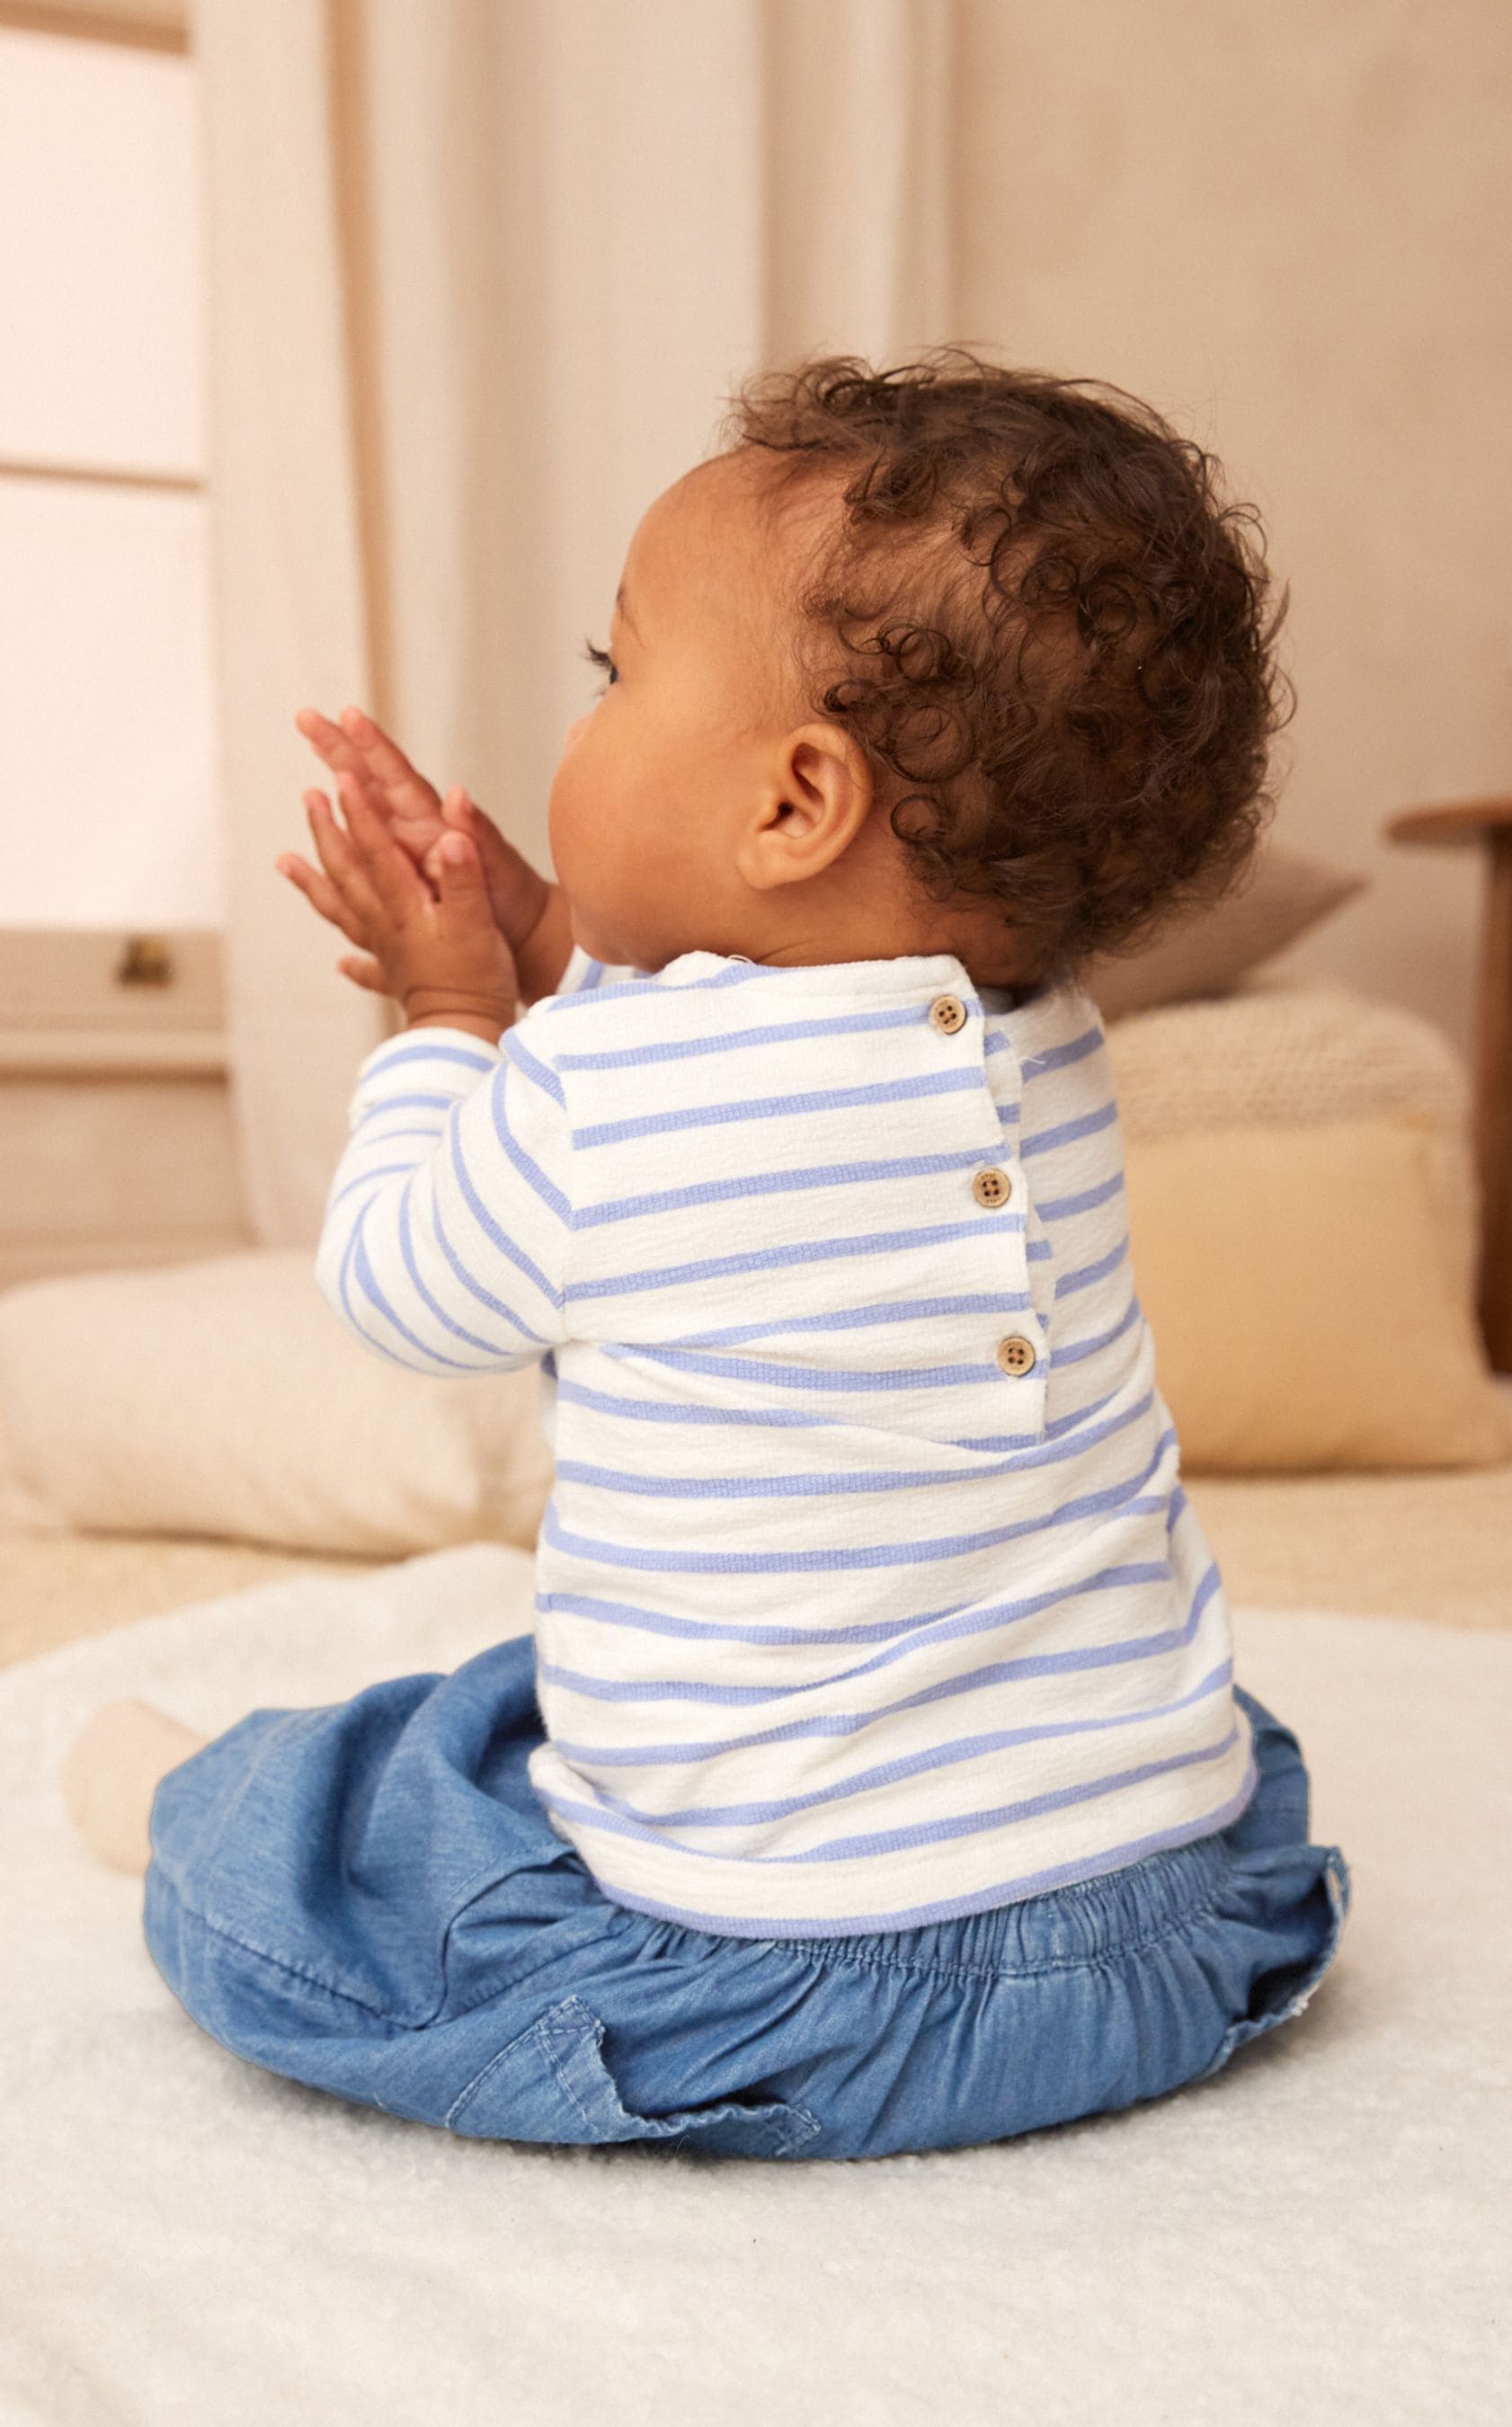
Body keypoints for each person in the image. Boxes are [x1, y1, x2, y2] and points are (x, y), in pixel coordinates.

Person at [62, 353, 1348, 2162]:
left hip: (814, 1997)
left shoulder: (593, 1095)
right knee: (563, 1703)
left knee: (354, 1844)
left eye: (614, 671)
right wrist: (541, 935)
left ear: (788, 808)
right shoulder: (1042, 1033)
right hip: (1167, 1930)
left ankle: (198, 1812)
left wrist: (449, 1006)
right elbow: (740, 1026)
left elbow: (404, 1286)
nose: (582, 716)